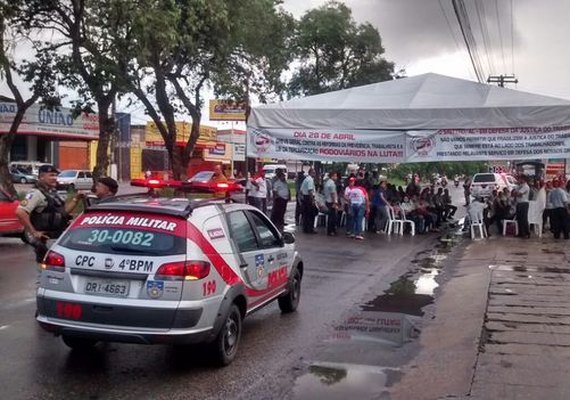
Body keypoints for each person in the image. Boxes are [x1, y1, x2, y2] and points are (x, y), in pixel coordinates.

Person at [15, 165, 84, 263]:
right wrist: (33, 232)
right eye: (51, 175)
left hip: (57, 237)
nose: (54, 178)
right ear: (41, 177)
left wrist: (76, 198)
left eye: (56, 175)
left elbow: (63, 213)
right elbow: (20, 212)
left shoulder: (52, 193)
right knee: (46, 270)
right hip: (45, 240)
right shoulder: (36, 193)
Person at [299, 168, 316, 234]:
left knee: (305, 214)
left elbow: (301, 190)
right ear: (311, 173)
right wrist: (312, 200)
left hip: (305, 198)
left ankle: (305, 228)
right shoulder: (310, 180)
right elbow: (310, 190)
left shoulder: (306, 179)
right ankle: (310, 229)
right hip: (309, 198)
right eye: (314, 172)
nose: (315, 174)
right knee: (311, 214)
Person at [322, 171, 339, 236]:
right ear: (332, 176)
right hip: (331, 202)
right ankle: (331, 231)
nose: (336, 177)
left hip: (327, 201)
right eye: (335, 176)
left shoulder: (326, 183)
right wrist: (335, 202)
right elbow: (333, 194)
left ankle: (330, 230)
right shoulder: (332, 184)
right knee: (332, 217)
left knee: (330, 217)